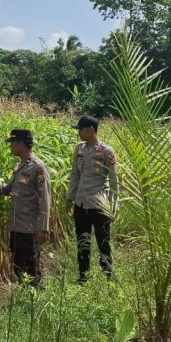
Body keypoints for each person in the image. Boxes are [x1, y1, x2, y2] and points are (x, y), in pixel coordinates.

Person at [0, 129, 51, 288]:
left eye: (12, 143)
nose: (10, 147)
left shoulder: (38, 168)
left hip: (29, 227)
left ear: (21, 144)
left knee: (31, 266)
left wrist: (43, 228)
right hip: (16, 225)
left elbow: (45, 199)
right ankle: (27, 296)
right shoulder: (19, 166)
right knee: (18, 264)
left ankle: (36, 298)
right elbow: (10, 190)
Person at [65, 115, 118, 284]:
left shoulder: (107, 151)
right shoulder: (79, 149)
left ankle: (107, 276)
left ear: (90, 130)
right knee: (82, 240)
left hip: (99, 203)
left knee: (103, 241)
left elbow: (114, 180)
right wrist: (69, 199)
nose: (78, 133)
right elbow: (75, 175)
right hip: (81, 203)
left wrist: (114, 206)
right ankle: (83, 276)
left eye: (80, 129)